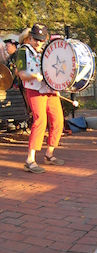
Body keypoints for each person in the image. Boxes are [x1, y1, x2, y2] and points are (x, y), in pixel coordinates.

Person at [16, 23, 64, 173]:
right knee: (40, 120)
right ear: (30, 38)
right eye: (36, 39)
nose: (38, 43)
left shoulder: (47, 51)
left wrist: (56, 86)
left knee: (58, 119)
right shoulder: (23, 51)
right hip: (34, 89)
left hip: (49, 89)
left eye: (41, 40)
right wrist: (34, 75)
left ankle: (49, 155)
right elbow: (21, 73)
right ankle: (30, 160)